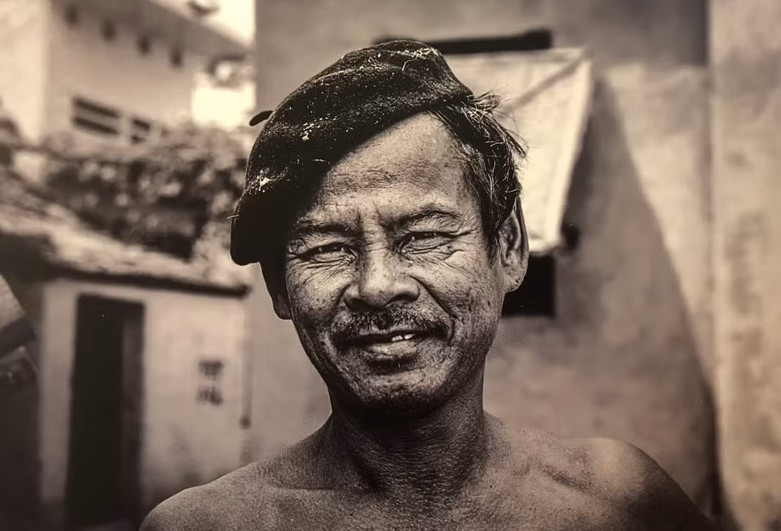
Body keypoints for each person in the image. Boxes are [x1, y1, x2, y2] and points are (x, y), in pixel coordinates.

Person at [142, 40, 717, 531]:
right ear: (280, 287)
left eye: (423, 237)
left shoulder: (616, 506)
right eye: (327, 249)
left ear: (509, 248)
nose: (378, 285)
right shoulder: (209, 526)